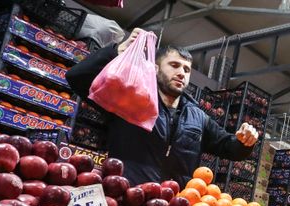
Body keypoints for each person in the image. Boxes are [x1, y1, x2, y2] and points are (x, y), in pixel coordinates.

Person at [66, 28, 259, 186]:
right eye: (174, 65)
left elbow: (229, 147)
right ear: (155, 69)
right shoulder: (132, 99)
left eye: (186, 69)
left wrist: (245, 141)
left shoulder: (198, 117)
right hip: (125, 199)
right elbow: (77, 78)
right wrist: (117, 50)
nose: (181, 73)